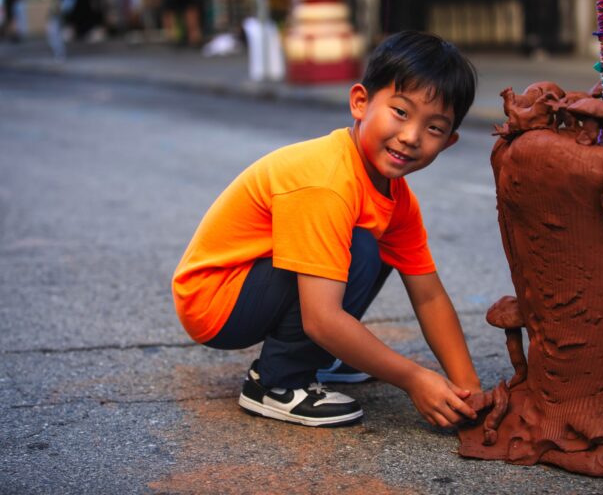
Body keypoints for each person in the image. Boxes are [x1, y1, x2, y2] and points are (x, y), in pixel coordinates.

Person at [172, 31, 482, 428]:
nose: (411, 136)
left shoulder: (397, 197)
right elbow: (321, 318)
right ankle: (276, 383)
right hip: (216, 299)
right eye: (401, 112)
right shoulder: (327, 181)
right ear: (360, 102)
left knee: (375, 243)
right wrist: (414, 379)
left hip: (257, 283)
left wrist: (468, 388)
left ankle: (316, 356)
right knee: (362, 248)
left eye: (434, 128)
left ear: (450, 141)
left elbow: (429, 295)